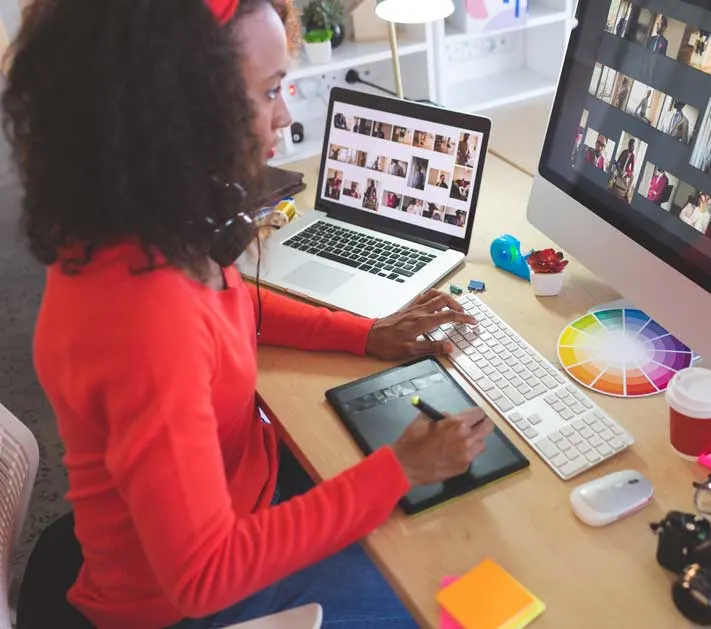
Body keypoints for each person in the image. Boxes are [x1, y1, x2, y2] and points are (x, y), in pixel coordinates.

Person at [3, 1, 496, 628]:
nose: (285, 118)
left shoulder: (131, 223)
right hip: (195, 604)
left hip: (245, 492)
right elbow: (205, 575)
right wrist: (401, 469)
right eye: (268, 92)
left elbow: (233, 305)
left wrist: (365, 333)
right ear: (176, 114)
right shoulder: (144, 316)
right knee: (451, 592)